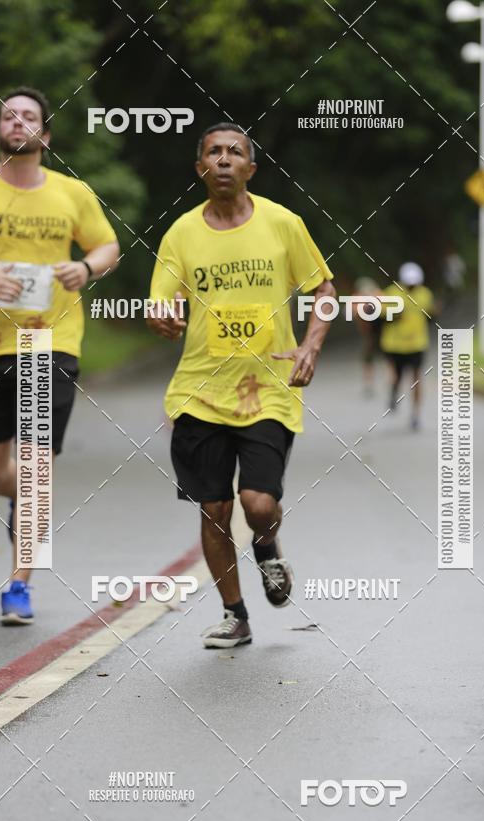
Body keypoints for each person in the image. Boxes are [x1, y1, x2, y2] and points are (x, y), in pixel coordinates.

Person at [148, 122, 336, 649]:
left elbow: (323, 287)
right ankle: (236, 614)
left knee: (256, 504)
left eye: (236, 152)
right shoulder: (181, 233)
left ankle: (268, 550)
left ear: (251, 169)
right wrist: (161, 316)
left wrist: (311, 345)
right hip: (199, 393)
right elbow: (160, 299)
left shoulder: (282, 224)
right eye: (214, 152)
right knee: (215, 509)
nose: (225, 159)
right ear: (200, 168)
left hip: (268, 389)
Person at [0, 87, 119, 624]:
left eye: (28, 117)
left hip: (49, 341)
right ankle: (28, 497)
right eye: (7, 115)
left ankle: (20, 583)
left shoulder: (72, 194)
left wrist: (85, 269)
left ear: (45, 134)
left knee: (37, 469)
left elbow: (107, 246)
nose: (17, 122)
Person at [380, 262, 439, 430]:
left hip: (417, 343)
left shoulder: (425, 294)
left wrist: (435, 311)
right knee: (396, 376)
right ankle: (394, 392)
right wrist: (394, 315)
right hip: (394, 344)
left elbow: (430, 314)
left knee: (416, 378)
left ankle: (415, 414)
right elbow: (381, 316)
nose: (412, 286)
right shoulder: (391, 293)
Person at [351, 276, 383, 396]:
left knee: (369, 360)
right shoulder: (378, 295)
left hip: (373, 334)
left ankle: (369, 384)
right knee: (370, 359)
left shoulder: (358, 299)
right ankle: (370, 384)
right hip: (373, 335)